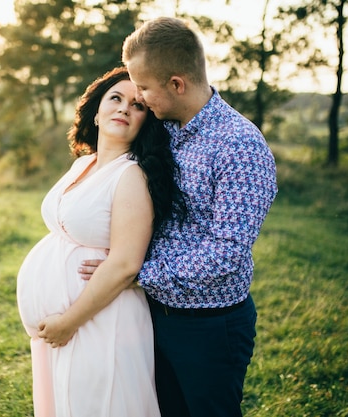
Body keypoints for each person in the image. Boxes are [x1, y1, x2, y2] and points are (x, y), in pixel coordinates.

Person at [79, 17, 278, 417]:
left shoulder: (240, 147)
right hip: (149, 315)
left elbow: (226, 254)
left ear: (176, 84)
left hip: (207, 325)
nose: (140, 98)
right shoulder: (164, 128)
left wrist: (136, 272)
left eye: (145, 89)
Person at [16, 66, 186, 417]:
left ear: (145, 122)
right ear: (97, 112)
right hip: (75, 324)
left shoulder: (131, 176)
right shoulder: (84, 163)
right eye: (116, 98)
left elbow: (125, 265)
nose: (125, 108)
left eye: (137, 105)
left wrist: (68, 322)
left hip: (102, 322)